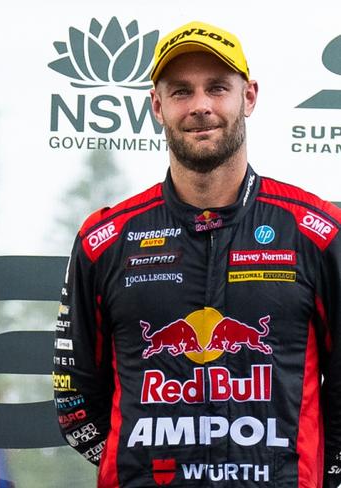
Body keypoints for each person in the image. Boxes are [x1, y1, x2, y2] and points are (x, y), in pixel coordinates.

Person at [54, 20, 341, 487]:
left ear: (248, 97)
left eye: (217, 89)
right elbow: (74, 398)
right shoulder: (106, 238)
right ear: (157, 105)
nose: (201, 106)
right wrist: (142, 468)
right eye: (182, 91)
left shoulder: (317, 232)